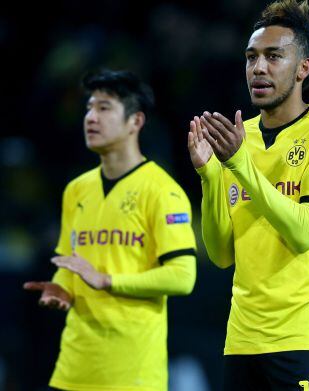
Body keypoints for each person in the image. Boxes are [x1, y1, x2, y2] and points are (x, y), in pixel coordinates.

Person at [186, 0, 309, 389]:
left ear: (303, 68)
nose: (258, 68)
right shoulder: (237, 138)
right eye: (251, 57)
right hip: (243, 340)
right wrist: (210, 175)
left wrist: (238, 166)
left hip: (308, 337)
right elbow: (220, 253)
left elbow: (305, 231)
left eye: (273, 57)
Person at [24, 69, 197, 390]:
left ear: (136, 122)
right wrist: (61, 288)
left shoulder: (163, 192)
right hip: (73, 369)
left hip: (131, 373)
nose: (91, 117)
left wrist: (108, 281)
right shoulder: (76, 190)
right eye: (89, 107)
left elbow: (183, 277)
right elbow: (69, 263)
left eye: (104, 108)